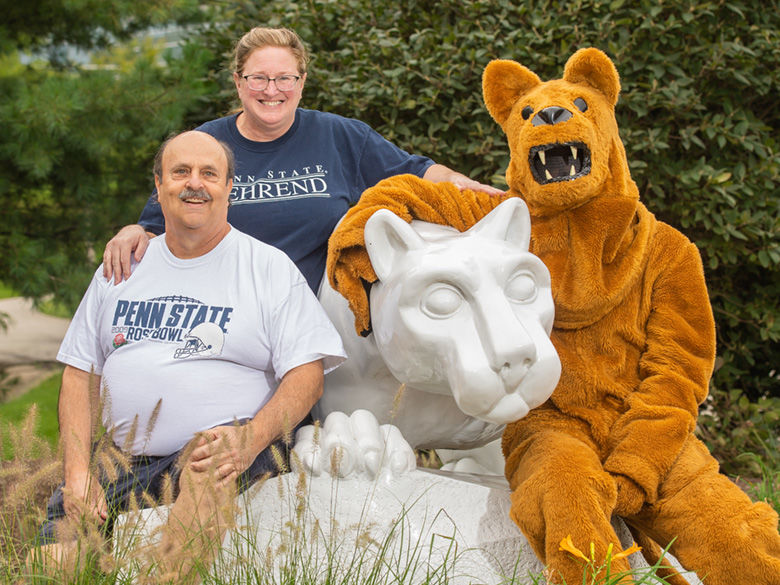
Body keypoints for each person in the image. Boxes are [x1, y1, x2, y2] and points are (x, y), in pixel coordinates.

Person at [32, 130, 346, 580]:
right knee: (48, 570)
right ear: (158, 187)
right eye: (180, 172)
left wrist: (252, 438)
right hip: (122, 460)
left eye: (208, 174)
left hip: (224, 451)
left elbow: (307, 375)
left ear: (229, 189)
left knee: (210, 459)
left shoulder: (268, 268)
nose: (194, 183)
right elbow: (80, 373)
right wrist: (79, 473)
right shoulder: (122, 267)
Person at [103, 26, 504, 290]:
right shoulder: (205, 143)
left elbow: (417, 171)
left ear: (302, 82)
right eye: (258, 78)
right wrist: (131, 232)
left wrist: (462, 185)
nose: (271, 89)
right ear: (238, 82)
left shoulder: (340, 135)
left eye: (285, 78)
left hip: (316, 320)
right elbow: (155, 224)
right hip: (221, 313)